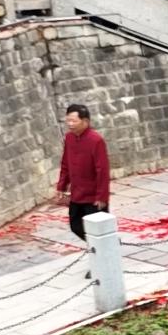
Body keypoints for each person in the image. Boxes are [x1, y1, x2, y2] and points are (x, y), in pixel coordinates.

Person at [52, 102, 110, 241]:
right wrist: (61, 186)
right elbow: (65, 163)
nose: (70, 124)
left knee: (99, 231)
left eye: (74, 121)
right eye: (68, 121)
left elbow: (102, 170)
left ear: (85, 121)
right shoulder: (69, 138)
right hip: (77, 194)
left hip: (93, 197)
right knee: (76, 225)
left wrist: (102, 197)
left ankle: (103, 248)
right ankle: (96, 246)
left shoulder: (96, 140)